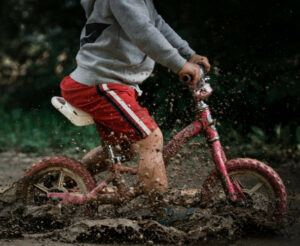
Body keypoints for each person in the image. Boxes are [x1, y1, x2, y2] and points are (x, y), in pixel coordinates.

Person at [61, 0, 210, 194]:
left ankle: (71, 178)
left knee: (124, 147)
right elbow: (143, 33)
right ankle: (158, 209)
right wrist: (179, 64)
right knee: (150, 138)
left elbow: (156, 23)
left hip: (110, 82)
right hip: (100, 84)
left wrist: (187, 54)